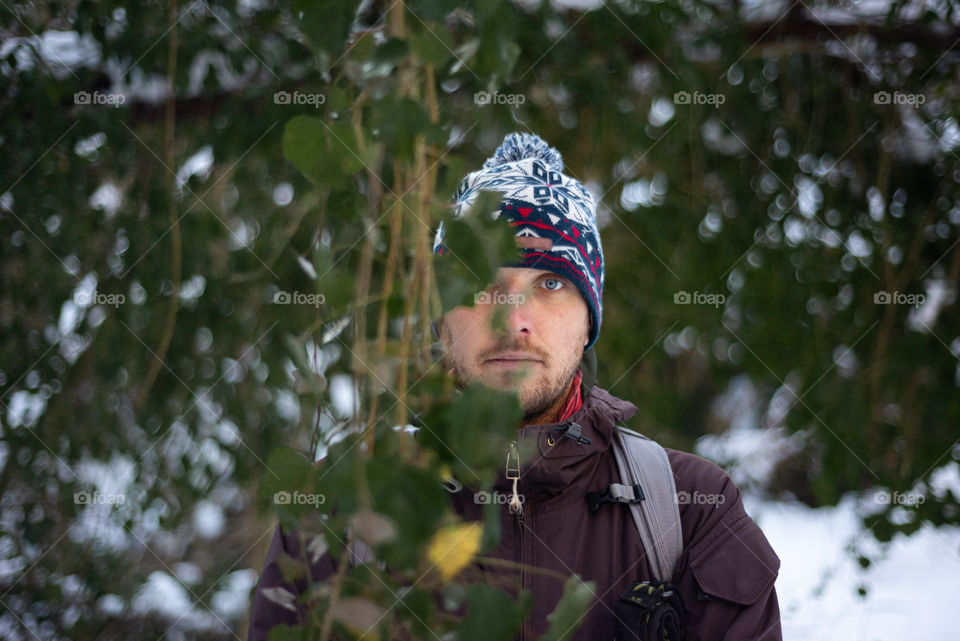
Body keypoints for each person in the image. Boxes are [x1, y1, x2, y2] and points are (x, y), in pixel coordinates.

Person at [248, 132, 782, 641]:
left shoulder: (690, 510)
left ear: (588, 320)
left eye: (550, 284)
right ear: (441, 318)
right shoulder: (340, 509)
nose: (513, 320)